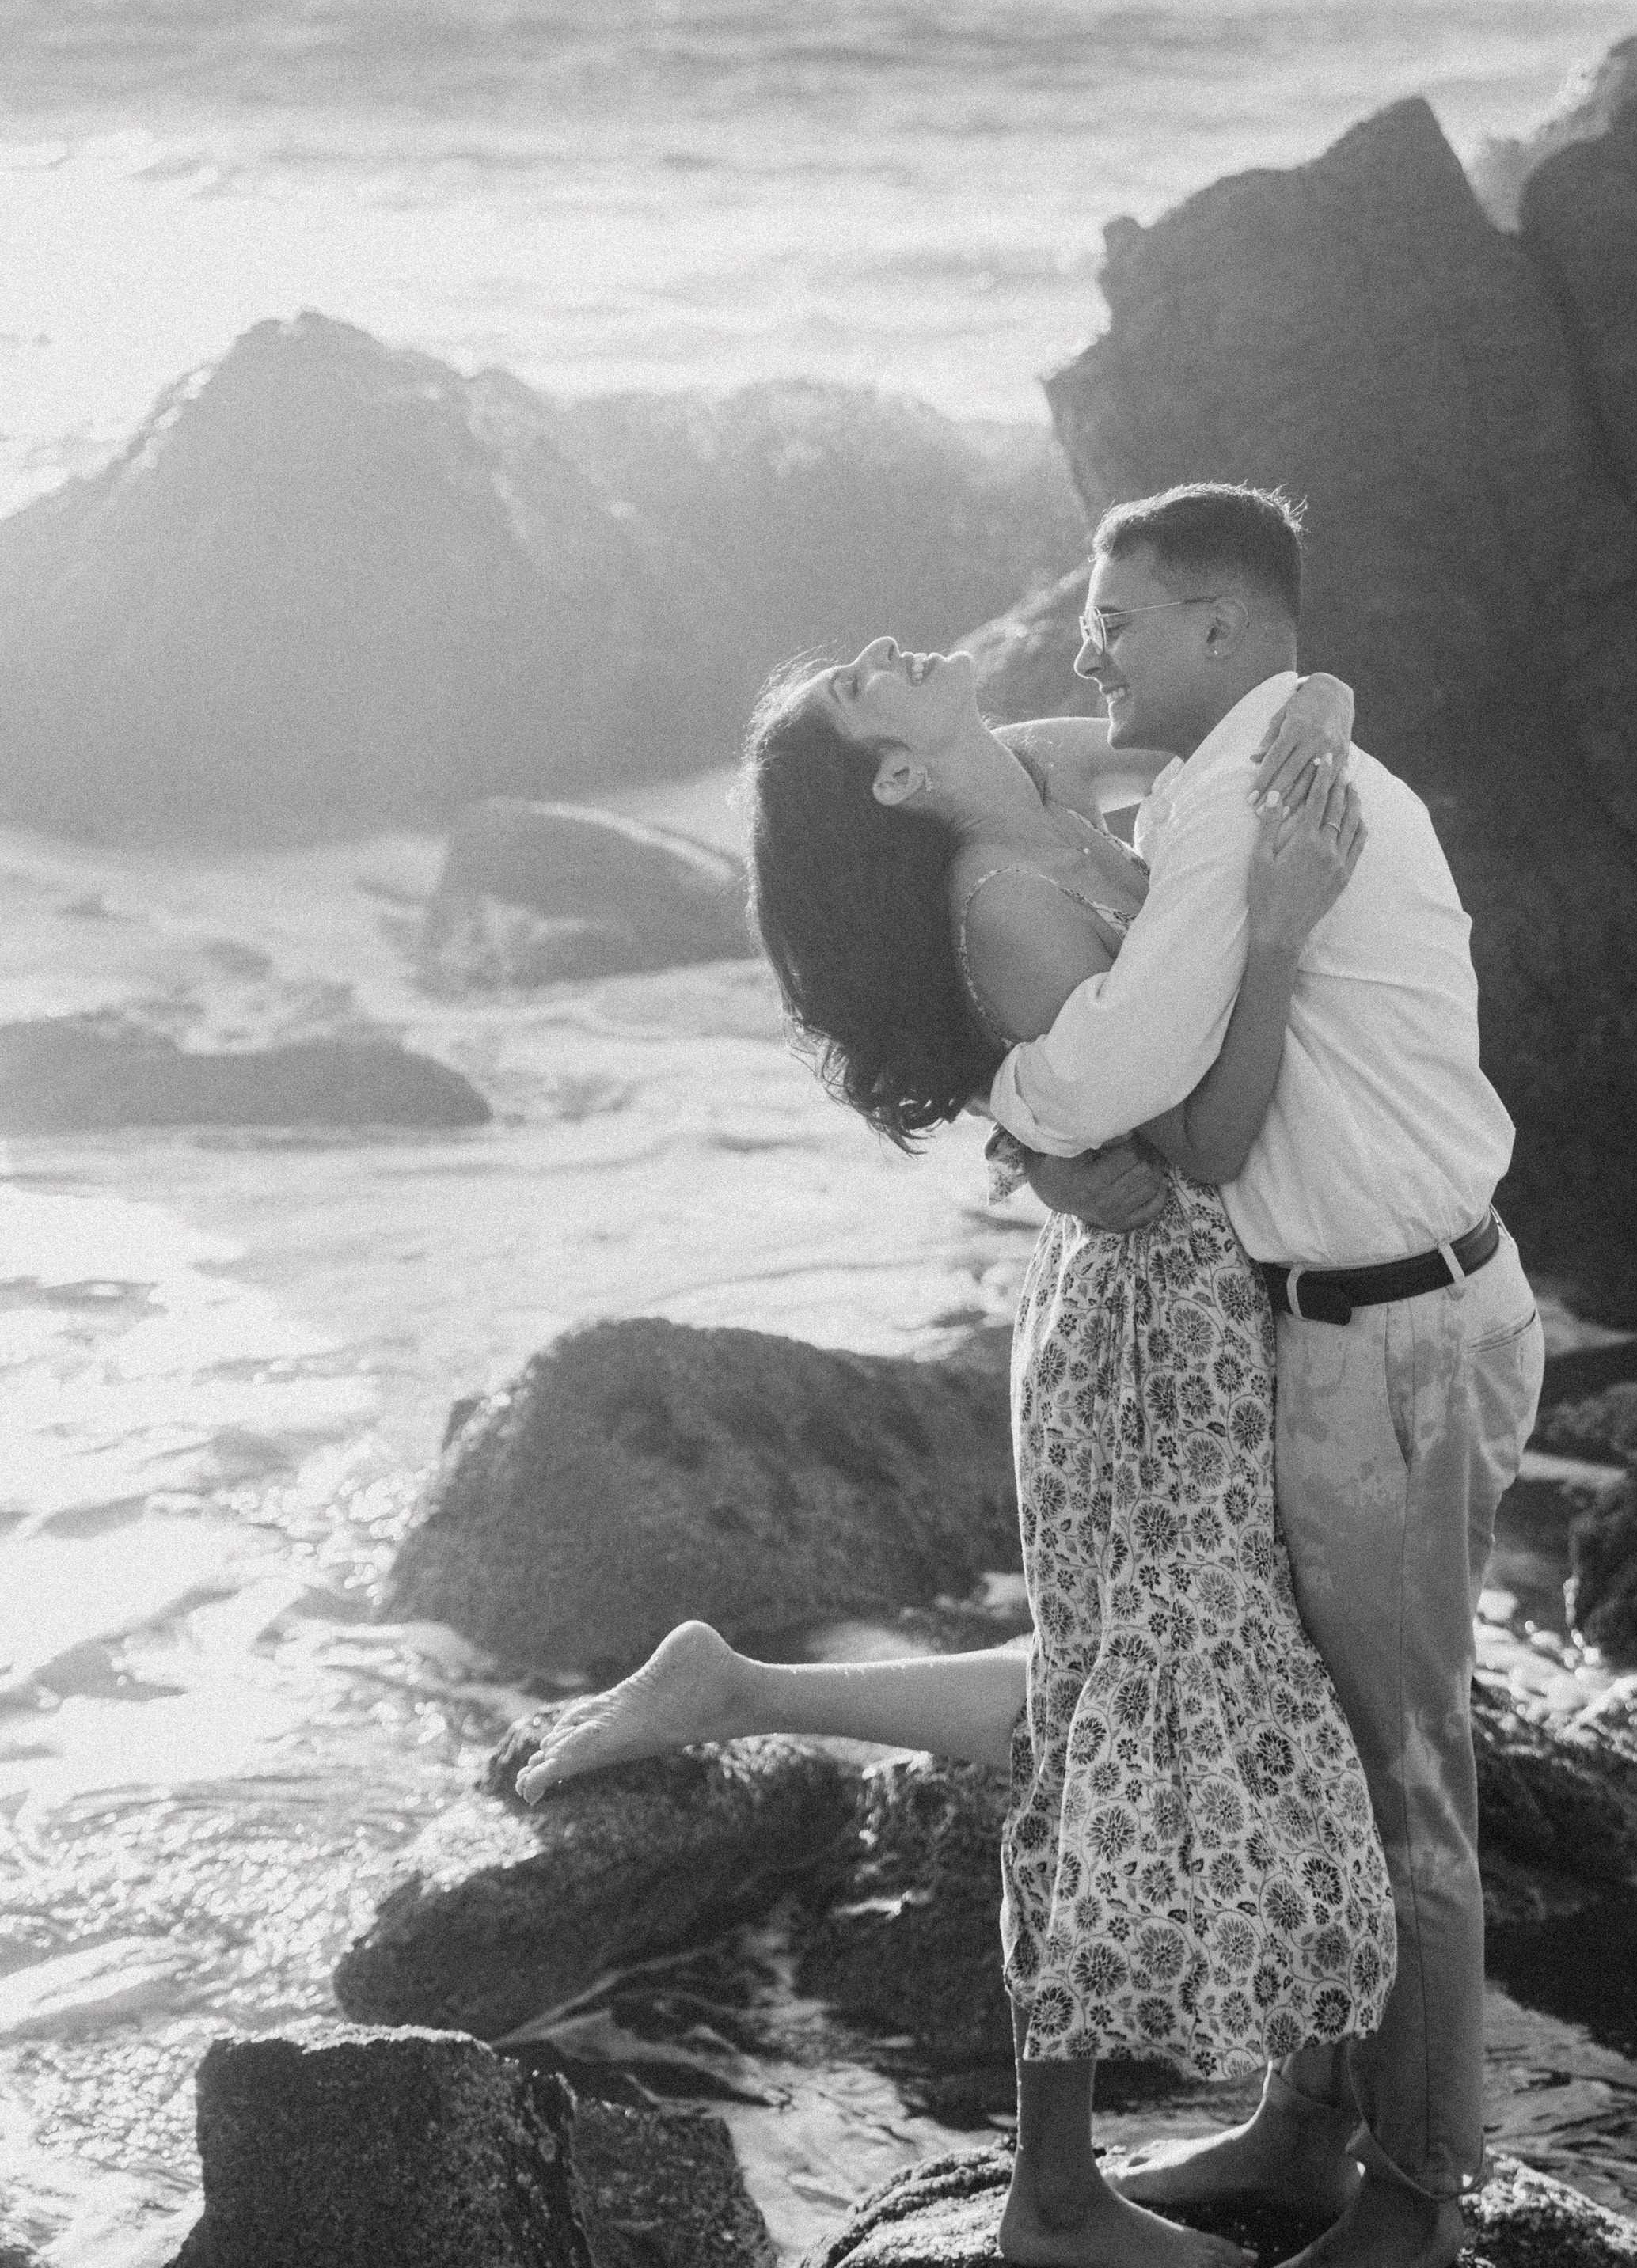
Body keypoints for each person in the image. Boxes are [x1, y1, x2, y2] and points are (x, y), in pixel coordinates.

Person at [515, 620, 1397, 2268]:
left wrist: (1312, 713)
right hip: (1157, 1319)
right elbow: (1179, 1129)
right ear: (903, 777)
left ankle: (743, 1690)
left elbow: (1251, 733)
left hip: (1193, 1296)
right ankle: (1054, 2195)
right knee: (1113, 1706)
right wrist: (1257, 947)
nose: (884, 647)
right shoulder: (1001, 905)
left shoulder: (1037, 777)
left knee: (1164, 1667)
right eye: (865, 690)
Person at [986, 484, 1544, 2268]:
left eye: (1120, 614)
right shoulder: (1293, 769)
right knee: (1321, 1753)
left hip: (1382, 1339)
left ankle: (1418, 2200)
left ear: (1221, 629)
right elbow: (1075, 770)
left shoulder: (1250, 794)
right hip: (1370, 1320)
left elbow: (1119, 1073)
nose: (1088, 645)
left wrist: (1007, 1110)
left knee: (1400, 1777)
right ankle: (1310, 2129)